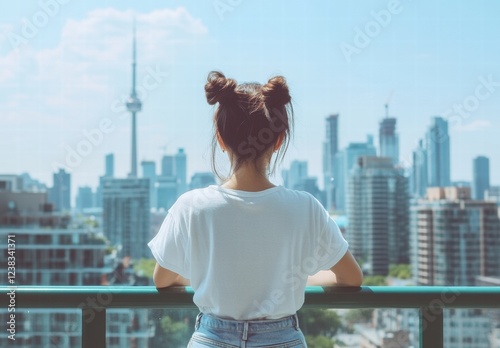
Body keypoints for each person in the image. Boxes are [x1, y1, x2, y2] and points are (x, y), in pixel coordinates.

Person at [147, 71, 363, 347]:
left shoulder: (192, 205)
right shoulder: (305, 206)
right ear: (279, 140)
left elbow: (162, 280)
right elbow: (351, 277)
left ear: (221, 140)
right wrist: (292, 278)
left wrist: (215, 275)